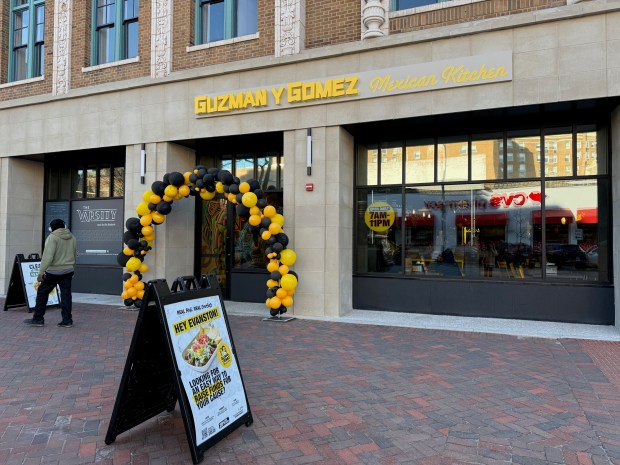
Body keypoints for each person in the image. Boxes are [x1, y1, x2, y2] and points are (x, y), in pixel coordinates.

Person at [24, 219, 77, 328]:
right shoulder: (72, 237)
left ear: (52, 228)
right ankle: (67, 320)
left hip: (53, 271)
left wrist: (40, 273)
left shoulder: (52, 238)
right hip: (68, 270)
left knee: (42, 292)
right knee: (66, 295)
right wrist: (73, 268)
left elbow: (47, 257)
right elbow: (75, 254)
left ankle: (38, 318)